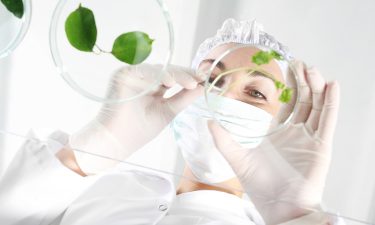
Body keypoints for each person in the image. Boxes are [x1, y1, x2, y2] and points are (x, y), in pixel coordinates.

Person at [0, 19, 343, 225]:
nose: (223, 97)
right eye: (212, 79)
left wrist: (295, 214)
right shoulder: (112, 191)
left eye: (255, 93)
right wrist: (91, 150)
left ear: (279, 124)